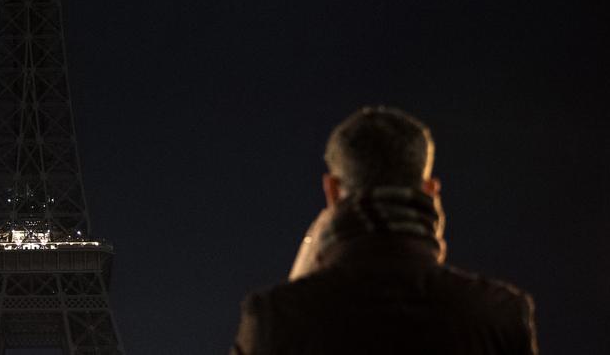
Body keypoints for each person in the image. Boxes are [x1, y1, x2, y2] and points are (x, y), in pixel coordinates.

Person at [231, 106, 538, 355]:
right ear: (430, 191)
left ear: (333, 191)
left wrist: (299, 280)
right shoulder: (498, 316)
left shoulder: (275, 318)